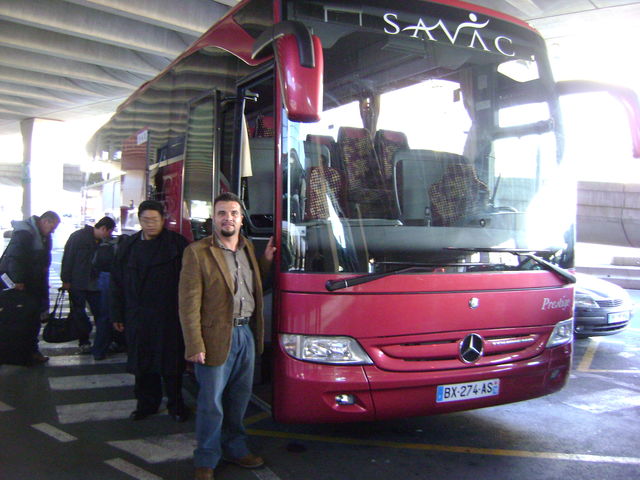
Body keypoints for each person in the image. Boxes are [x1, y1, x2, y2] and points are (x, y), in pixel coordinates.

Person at [179, 192, 275, 480]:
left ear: (241, 219)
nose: (228, 218)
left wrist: (266, 262)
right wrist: (194, 344)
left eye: (233, 213)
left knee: (239, 399)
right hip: (214, 338)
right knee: (211, 404)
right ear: (214, 219)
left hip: (246, 333)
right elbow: (188, 303)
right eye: (222, 213)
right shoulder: (198, 252)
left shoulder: (246, 249)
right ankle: (206, 459)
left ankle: (235, 447)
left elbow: (252, 285)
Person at [110, 200, 190, 422]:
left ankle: (176, 406)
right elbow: (117, 282)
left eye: (155, 220)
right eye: (146, 220)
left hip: (169, 316)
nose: (151, 224)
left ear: (163, 220)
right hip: (138, 316)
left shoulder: (177, 245)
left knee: (171, 365)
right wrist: (117, 313)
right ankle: (146, 405)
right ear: (140, 220)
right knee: (142, 364)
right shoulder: (128, 246)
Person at [0, 211, 60, 364]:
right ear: (46, 221)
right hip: (21, 285)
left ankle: (29, 352)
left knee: (32, 319)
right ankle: (20, 354)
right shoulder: (24, 233)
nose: (53, 231)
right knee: (20, 319)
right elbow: (15, 256)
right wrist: (18, 280)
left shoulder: (43, 236)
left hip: (33, 283)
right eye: (52, 227)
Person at [61, 217, 116, 355]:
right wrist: (66, 280)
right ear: (103, 228)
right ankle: (84, 342)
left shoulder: (104, 242)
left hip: (95, 284)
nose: (109, 235)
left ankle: (102, 342)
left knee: (100, 314)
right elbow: (68, 258)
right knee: (79, 314)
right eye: (109, 232)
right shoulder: (78, 237)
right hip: (77, 283)